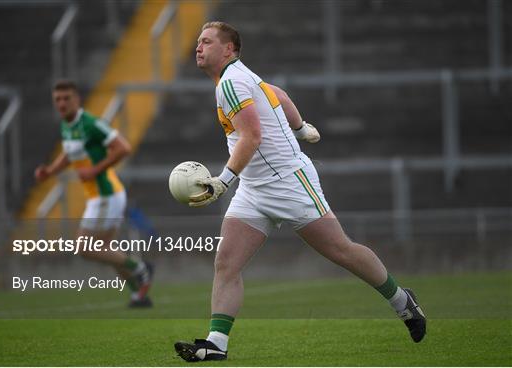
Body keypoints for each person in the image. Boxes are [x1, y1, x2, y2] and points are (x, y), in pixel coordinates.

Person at [173, 22, 426, 362]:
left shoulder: (231, 82)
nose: (198, 47)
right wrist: (300, 127)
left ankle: (401, 301)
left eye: (206, 41)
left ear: (228, 49)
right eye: (198, 41)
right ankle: (216, 342)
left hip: (288, 182)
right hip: (254, 187)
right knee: (227, 263)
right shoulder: (237, 78)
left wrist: (224, 180)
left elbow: (252, 137)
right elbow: (278, 94)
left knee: (341, 250)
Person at [35, 80, 153, 308]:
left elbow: (124, 148)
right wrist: (49, 171)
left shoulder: (90, 123)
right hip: (99, 196)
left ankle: (140, 268)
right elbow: (69, 155)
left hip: (106, 194)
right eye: (58, 99)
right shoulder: (67, 125)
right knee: (106, 249)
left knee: (84, 247)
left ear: (77, 99)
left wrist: (94, 170)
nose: (62, 103)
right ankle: (139, 295)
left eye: (66, 98)